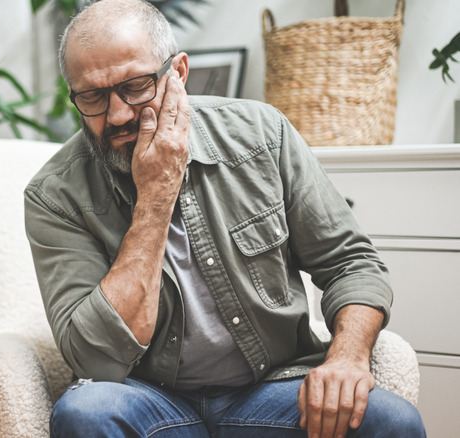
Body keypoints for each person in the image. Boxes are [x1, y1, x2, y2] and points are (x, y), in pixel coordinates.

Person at [23, 0, 426, 437]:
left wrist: (348, 356)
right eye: (92, 96)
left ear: (177, 73)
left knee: (392, 422)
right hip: (148, 401)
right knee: (85, 413)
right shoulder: (54, 195)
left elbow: (351, 264)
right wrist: (155, 197)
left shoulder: (261, 135)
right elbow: (94, 357)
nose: (117, 114)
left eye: (135, 86)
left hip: (273, 390)